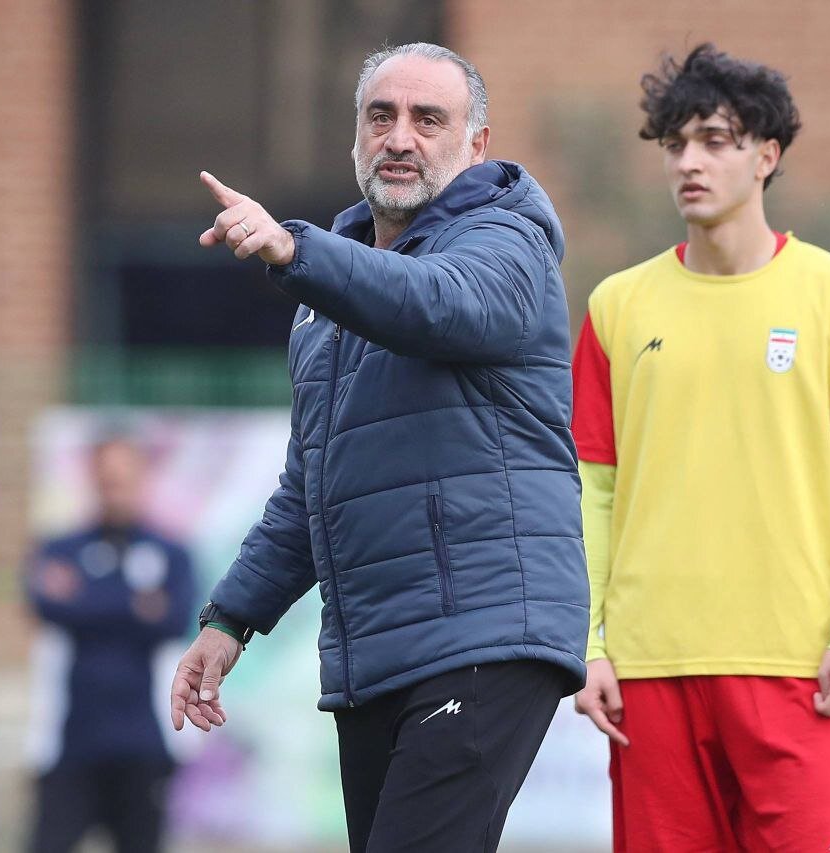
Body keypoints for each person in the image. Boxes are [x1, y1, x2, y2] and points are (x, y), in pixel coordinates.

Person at [169, 42, 588, 852]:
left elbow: (435, 302)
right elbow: (311, 485)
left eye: (428, 119)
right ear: (356, 136)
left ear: (476, 145)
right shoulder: (328, 301)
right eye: (381, 116)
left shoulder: (508, 243)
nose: (400, 137)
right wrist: (230, 619)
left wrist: (297, 252)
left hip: (485, 634)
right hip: (376, 654)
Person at [570, 44, 830, 852]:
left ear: (766, 155)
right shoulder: (616, 305)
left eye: (715, 140)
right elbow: (594, 489)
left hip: (798, 669)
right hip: (650, 673)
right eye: (675, 144)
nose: (688, 162)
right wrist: (586, 645)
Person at [24, 434, 197, 853]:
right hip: (72, 743)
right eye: (106, 478)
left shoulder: (170, 553)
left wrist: (85, 597)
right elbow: (45, 604)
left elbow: (176, 619)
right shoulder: (62, 547)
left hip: (143, 742)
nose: (114, 487)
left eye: (123, 477)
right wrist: (136, 605)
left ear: (142, 478)